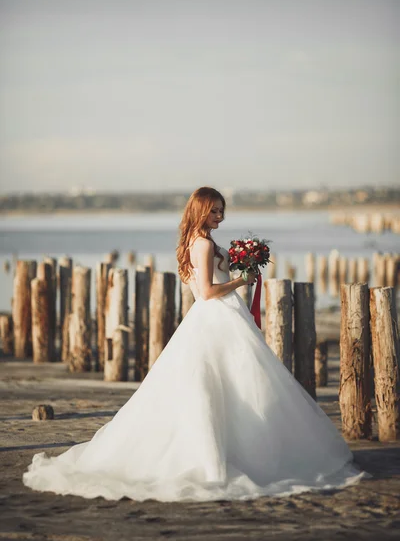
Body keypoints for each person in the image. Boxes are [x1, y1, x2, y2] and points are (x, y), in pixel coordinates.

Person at [23, 186, 365, 502]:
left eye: (222, 211)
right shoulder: (201, 244)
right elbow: (205, 292)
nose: (221, 217)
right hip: (215, 317)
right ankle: (217, 459)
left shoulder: (200, 241)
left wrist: (244, 262)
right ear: (201, 211)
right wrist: (240, 280)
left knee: (237, 385)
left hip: (223, 317)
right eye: (215, 211)